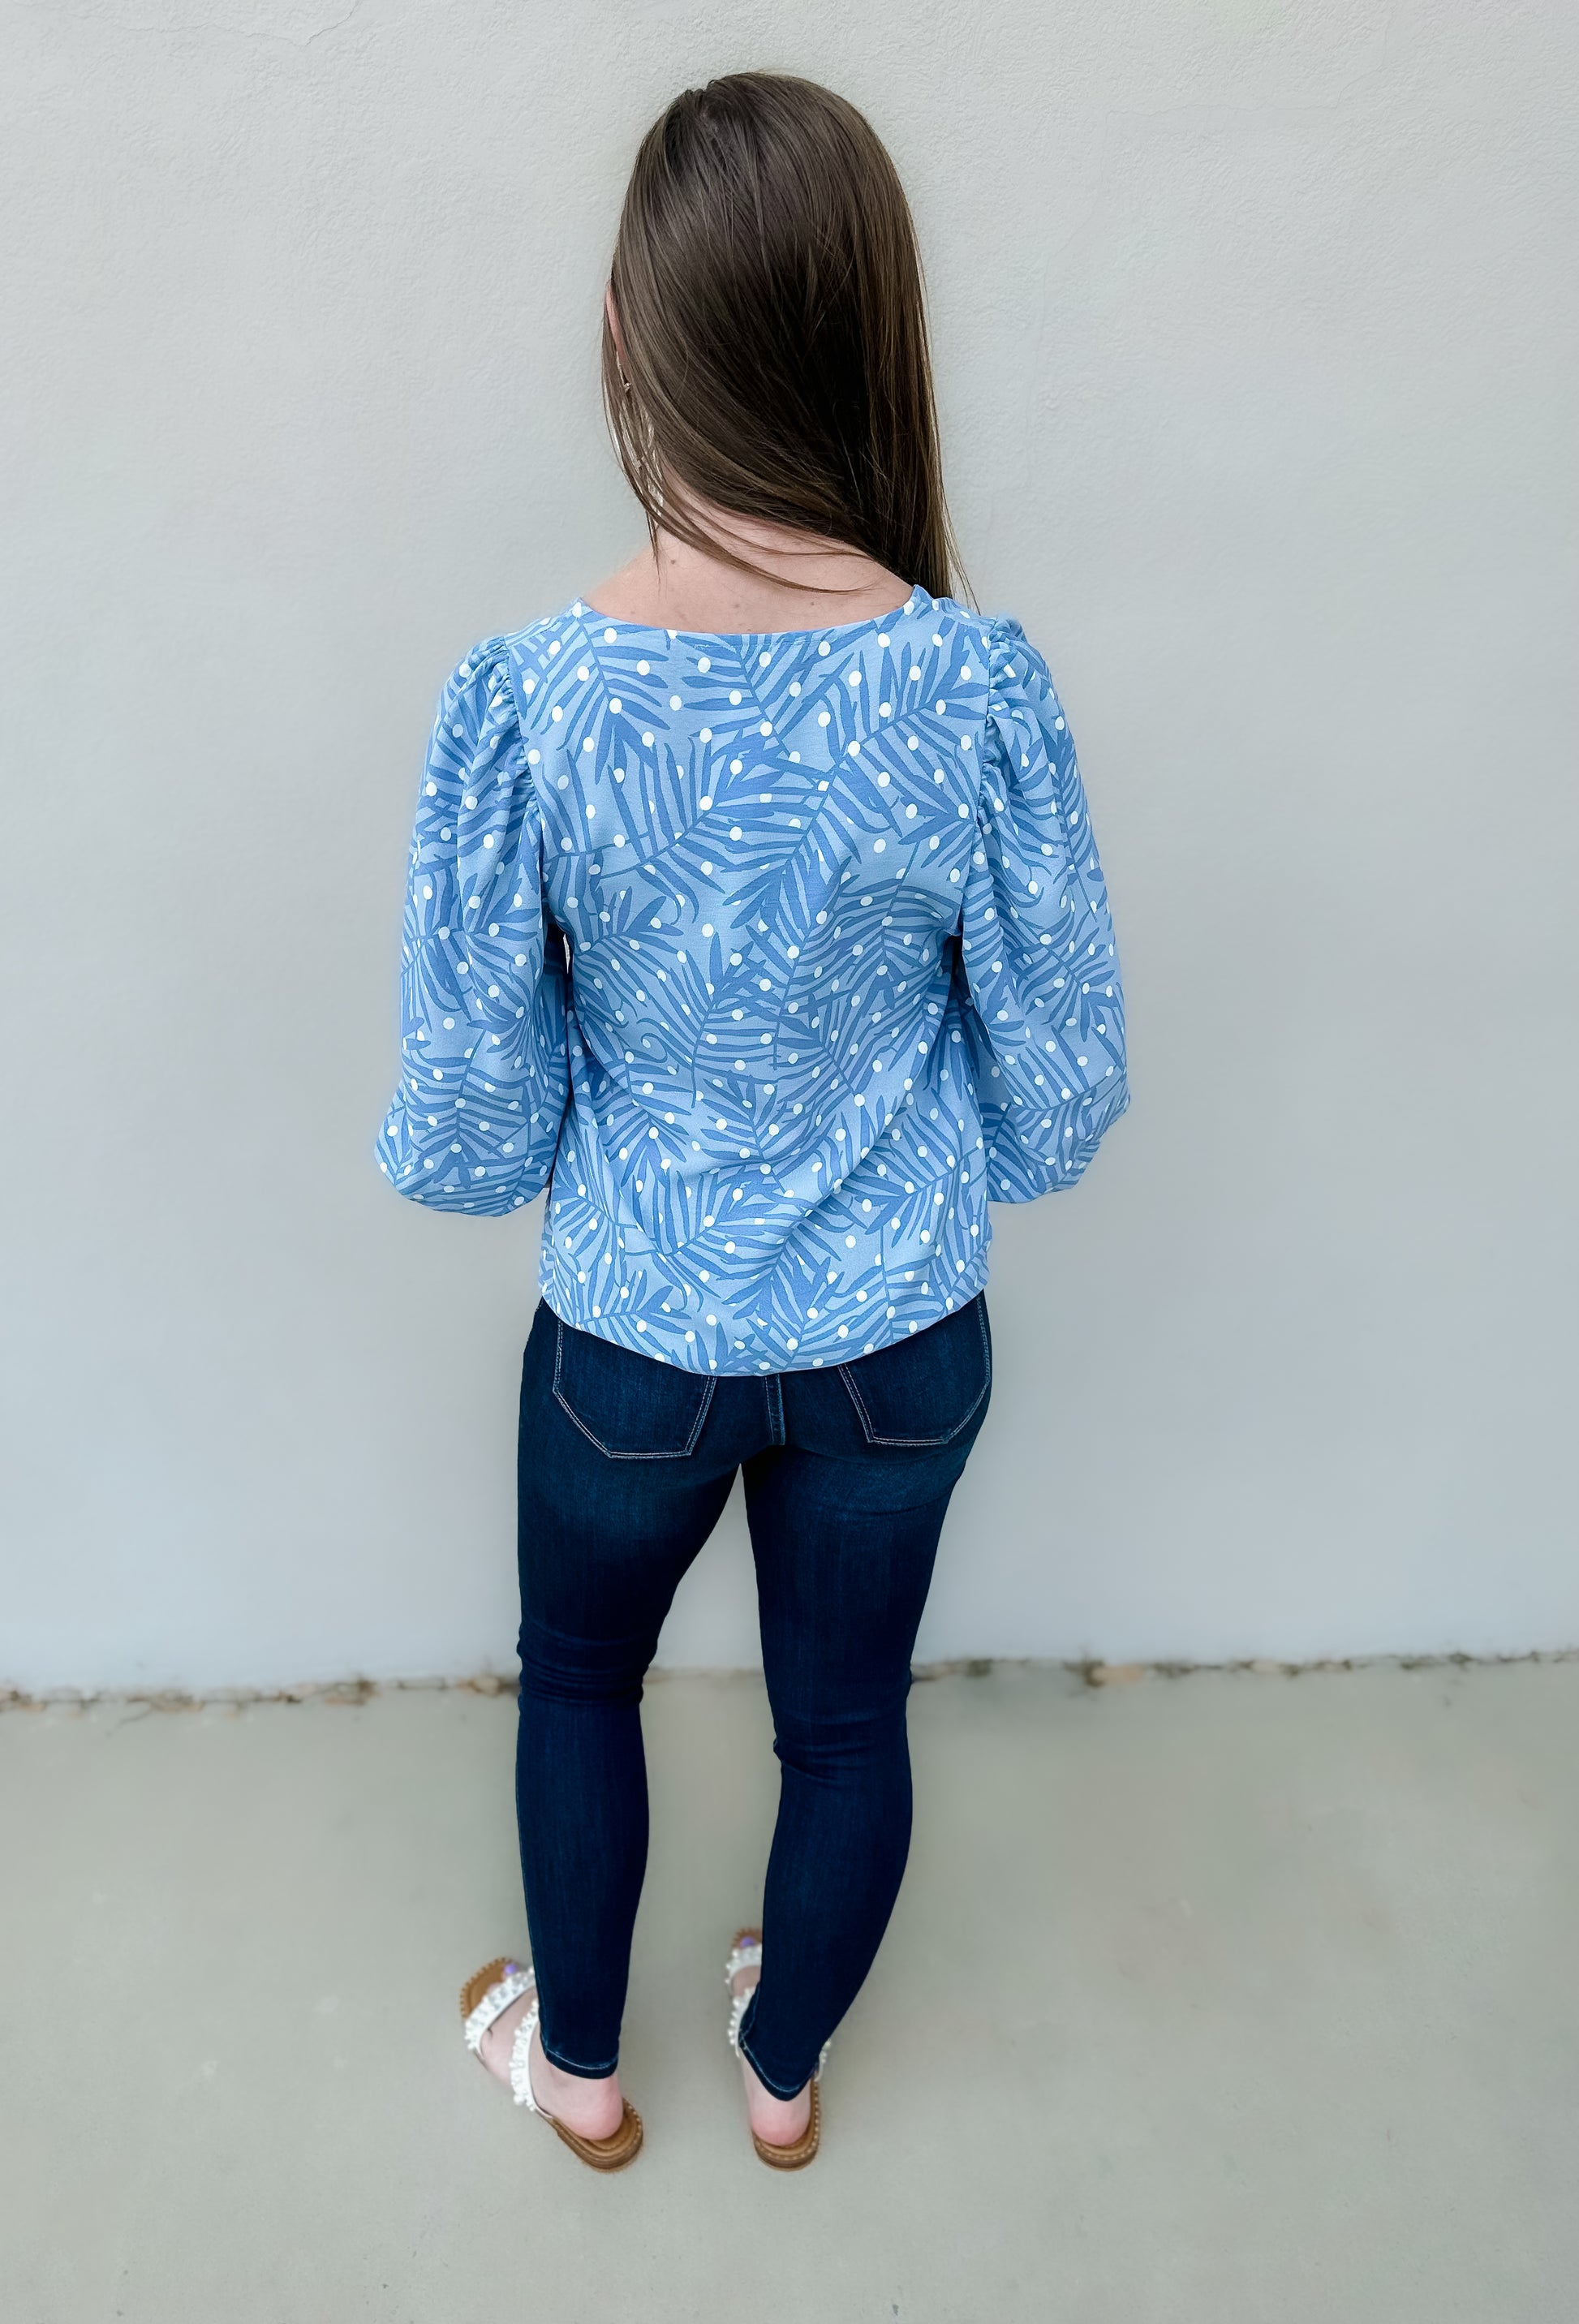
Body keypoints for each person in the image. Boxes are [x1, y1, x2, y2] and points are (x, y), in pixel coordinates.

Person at [377, 70, 1128, 2171]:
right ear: (872, 329)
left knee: (576, 1684)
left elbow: (471, 1113)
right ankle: (781, 2079)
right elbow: (1061, 1084)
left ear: (630, 333)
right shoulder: (975, 684)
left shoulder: (533, 695)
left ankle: (581, 2079)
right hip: (904, 1334)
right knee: (846, 1726)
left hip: (631, 1337)